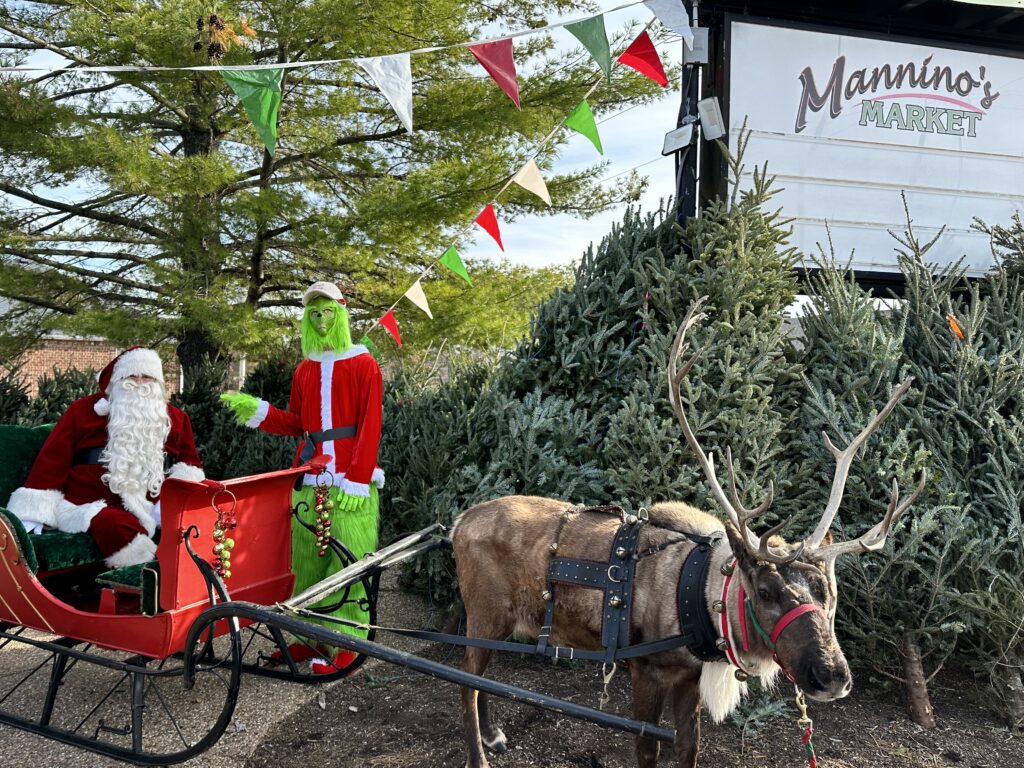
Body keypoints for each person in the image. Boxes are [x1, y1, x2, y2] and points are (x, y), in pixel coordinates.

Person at [221, 281, 383, 674]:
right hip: (309, 478)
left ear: (341, 315)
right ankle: (304, 638)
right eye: (314, 313)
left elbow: (370, 424)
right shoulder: (305, 370)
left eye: (328, 312)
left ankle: (347, 643)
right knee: (307, 564)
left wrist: (357, 478)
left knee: (347, 564)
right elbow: (298, 423)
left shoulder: (364, 364)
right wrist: (259, 412)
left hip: (348, 482)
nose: (321, 319)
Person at [5, 347, 205, 568]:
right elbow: (53, 459)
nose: (139, 382)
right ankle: (145, 584)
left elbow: (189, 466)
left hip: (154, 503)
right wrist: (33, 513)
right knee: (115, 524)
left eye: (147, 376)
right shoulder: (82, 411)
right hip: (92, 503)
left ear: (157, 382)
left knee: (195, 526)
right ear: (116, 381)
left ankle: (194, 583)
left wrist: (173, 502)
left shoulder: (176, 418)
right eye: (131, 376)